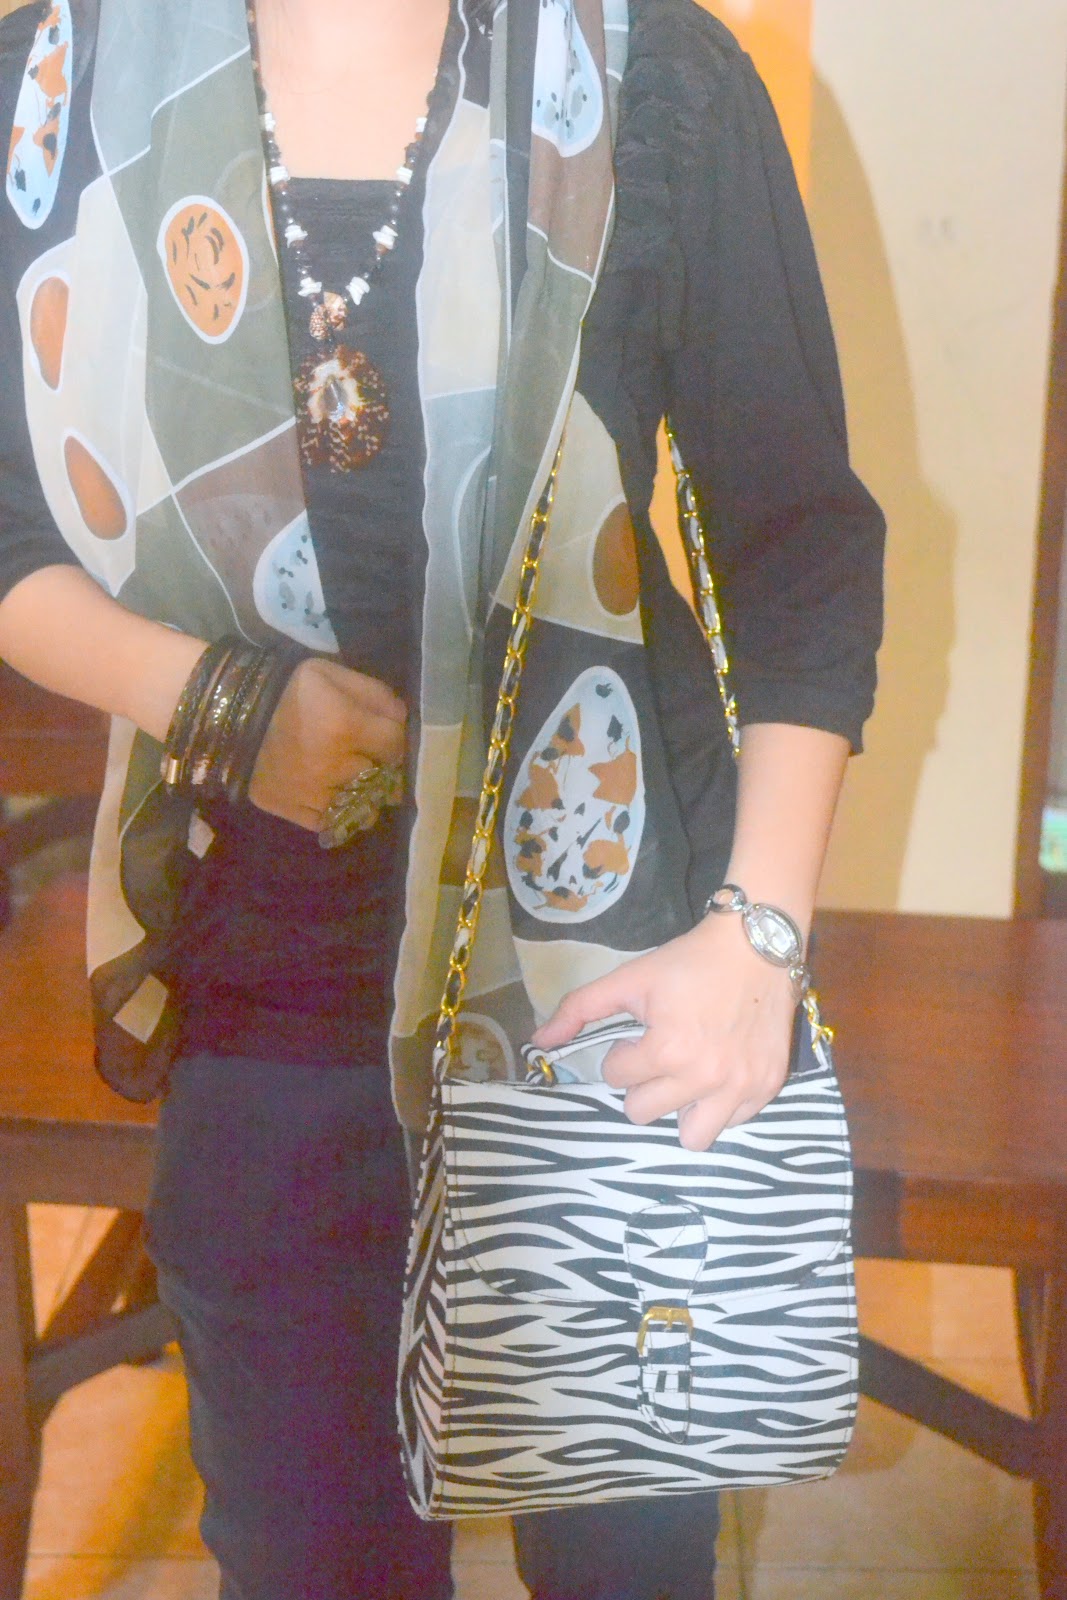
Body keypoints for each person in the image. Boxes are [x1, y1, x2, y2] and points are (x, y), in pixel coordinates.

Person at [0, 0, 884, 1596]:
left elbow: (799, 547)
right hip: (261, 993)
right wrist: (214, 701)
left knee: (622, 1564)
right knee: (307, 1557)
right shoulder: (46, 96)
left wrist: (759, 937)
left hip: (605, 987)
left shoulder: (657, 82)